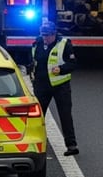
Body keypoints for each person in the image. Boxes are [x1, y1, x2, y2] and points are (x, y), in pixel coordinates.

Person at [30, 20, 79, 156]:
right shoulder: (37, 43)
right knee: (38, 116)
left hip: (60, 86)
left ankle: (71, 145)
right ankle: (35, 142)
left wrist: (61, 69)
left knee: (65, 115)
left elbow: (73, 64)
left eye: (47, 35)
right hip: (41, 85)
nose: (45, 38)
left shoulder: (64, 44)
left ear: (54, 34)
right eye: (43, 35)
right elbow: (33, 61)